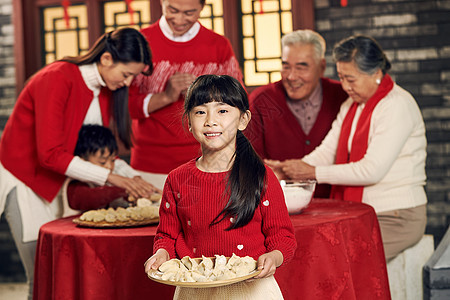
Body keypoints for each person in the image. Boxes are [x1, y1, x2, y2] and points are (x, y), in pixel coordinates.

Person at [0, 27, 154, 299]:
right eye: (126, 74)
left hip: (55, 185)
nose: (128, 83)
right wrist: (114, 179)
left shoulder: (104, 90)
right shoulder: (57, 78)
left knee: (58, 275)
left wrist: (135, 180)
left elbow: (98, 154)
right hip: (24, 182)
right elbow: (50, 154)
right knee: (40, 276)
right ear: (106, 59)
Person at [267, 35, 427, 261]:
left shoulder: (397, 105)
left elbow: (371, 170)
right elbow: (328, 151)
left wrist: (311, 173)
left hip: (397, 216)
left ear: (376, 73)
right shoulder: (352, 105)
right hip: (363, 211)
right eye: (341, 78)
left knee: (340, 261)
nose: (345, 87)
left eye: (351, 79)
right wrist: (290, 169)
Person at [144, 75, 296, 299]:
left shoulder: (261, 176)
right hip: (193, 289)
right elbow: (167, 235)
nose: (210, 121)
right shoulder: (177, 179)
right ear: (188, 121)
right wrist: (161, 254)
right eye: (200, 111)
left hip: (252, 290)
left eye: (222, 111)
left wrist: (274, 257)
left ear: (243, 120)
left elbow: (282, 237)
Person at [129, 0, 243, 190]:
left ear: (202, 8)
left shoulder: (219, 45)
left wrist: (203, 90)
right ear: (162, 2)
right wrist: (166, 96)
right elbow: (123, 108)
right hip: (150, 165)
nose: (180, 19)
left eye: (189, 13)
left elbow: (237, 103)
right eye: (173, 10)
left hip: (210, 161)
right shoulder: (140, 43)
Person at [245, 30, 348, 198]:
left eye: (301, 67)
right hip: (280, 205)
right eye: (286, 66)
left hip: (337, 203)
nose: (292, 76)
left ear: (321, 67)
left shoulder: (343, 96)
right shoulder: (262, 101)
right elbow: (248, 160)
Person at [61, 125, 161, 217]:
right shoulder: (75, 183)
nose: (109, 166)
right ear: (82, 161)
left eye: (112, 160)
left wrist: (138, 193)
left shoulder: (114, 172)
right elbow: (90, 198)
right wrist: (126, 190)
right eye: (103, 162)